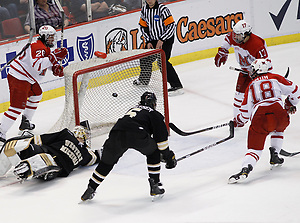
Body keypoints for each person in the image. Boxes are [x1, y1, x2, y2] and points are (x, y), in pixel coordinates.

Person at [81, 91, 177, 201]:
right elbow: (161, 142)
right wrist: (169, 157)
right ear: (154, 104)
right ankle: (154, 185)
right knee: (153, 152)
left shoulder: (132, 109)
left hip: (116, 132)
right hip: (136, 133)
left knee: (106, 162)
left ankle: (90, 189)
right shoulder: (155, 114)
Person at [228, 59, 299, 184]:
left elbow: (245, 113)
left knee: (254, 149)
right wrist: (289, 103)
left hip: (261, 118)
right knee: (279, 128)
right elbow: (296, 91)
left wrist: (238, 121)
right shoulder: (276, 77)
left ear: (257, 70)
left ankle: (246, 169)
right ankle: (275, 154)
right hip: (279, 114)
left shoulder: (251, 85)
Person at [0, 25, 68, 144]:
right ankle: (1, 132)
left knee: (37, 94)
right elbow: (37, 65)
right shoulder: (37, 47)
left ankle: (25, 123)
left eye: (53, 37)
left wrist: (55, 67)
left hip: (27, 78)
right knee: (16, 107)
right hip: (19, 77)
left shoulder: (43, 48)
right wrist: (54, 57)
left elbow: (45, 62)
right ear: (44, 37)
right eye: (50, 37)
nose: (53, 39)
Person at [0, 124, 100, 181]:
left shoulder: (68, 135)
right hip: (59, 169)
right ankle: (37, 167)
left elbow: (44, 139)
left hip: (48, 156)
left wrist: (26, 141)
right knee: (45, 159)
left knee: (40, 156)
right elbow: (96, 157)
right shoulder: (85, 153)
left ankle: (33, 165)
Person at [214, 20, 269, 118]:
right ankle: (236, 120)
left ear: (246, 34)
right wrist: (223, 51)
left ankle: (267, 118)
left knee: (262, 97)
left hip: (257, 74)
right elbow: (228, 38)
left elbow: (265, 64)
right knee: (238, 97)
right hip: (244, 72)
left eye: (238, 35)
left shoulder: (257, 45)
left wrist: (258, 73)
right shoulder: (236, 37)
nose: (235, 37)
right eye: (235, 34)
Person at [133, 0, 183, 97]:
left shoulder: (162, 9)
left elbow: (171, 26)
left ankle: (176, 85)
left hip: (166, 39)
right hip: (153, 40)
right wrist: (148, 41)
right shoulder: (144, 10)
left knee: (162, 61)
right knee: (145, 58)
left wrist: (162, 39)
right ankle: (144, 80)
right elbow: (143, 27)